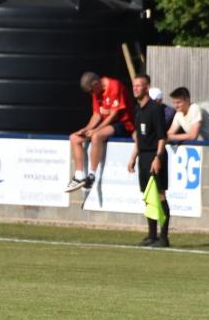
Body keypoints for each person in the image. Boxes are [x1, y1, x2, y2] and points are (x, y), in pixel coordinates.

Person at [65, 72, 135, 192]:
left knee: (96, 136)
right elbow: (96, 115)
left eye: (91, 91)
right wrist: (86, 129)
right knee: (74, 137)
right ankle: (79, 176)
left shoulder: (114, 86)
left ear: (96, 83)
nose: (91, 94)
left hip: (123, 123)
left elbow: (114, 115)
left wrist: (95, 130)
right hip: (106, 124)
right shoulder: (95, 91)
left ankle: (91, 175)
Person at [127, 83, 171, 247]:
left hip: (155, 155)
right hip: (144, 156)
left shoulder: (156, 109)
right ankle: (151, 235)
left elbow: (162, 136)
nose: (135, 89)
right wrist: (133, 157)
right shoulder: (138, 109)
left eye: (139, 86)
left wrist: (158, 157)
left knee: (159, 195)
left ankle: (164, 237)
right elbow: (139, 137)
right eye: (134, 86)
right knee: (148, 197)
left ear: (146, 88)